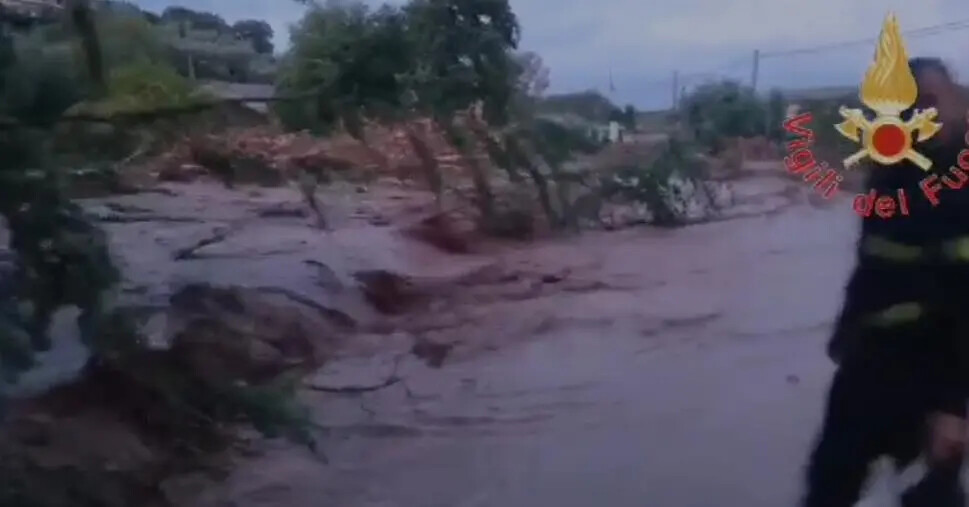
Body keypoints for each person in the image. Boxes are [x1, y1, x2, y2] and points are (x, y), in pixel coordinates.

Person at [803, 57, 969, 507]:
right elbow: (872, 266)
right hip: (867, 367)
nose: (920, 117)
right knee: (827, 487)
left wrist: (954, 408)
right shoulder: (890, 177)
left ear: (958, 103)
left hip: (933, 377)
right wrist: (845, 331)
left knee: (931, 496)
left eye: (930, 102)